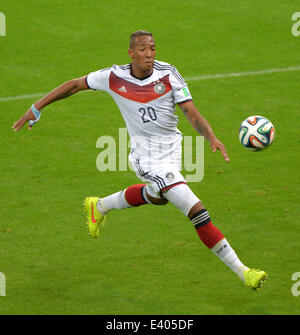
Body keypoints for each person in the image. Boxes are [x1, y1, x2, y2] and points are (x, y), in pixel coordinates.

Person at [12, 30, 268, 290]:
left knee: (158, 197)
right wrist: (37, 107)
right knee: (196, 211)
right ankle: (243, 271)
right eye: (143, 49)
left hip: (172, 151)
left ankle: (99, 206)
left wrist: (210, 136)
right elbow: (75, 84)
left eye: (153, 48)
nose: (149, 54)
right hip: (147, 158)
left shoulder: (168, 74)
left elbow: (191, 112)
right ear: (131, 53)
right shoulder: (114, 77)